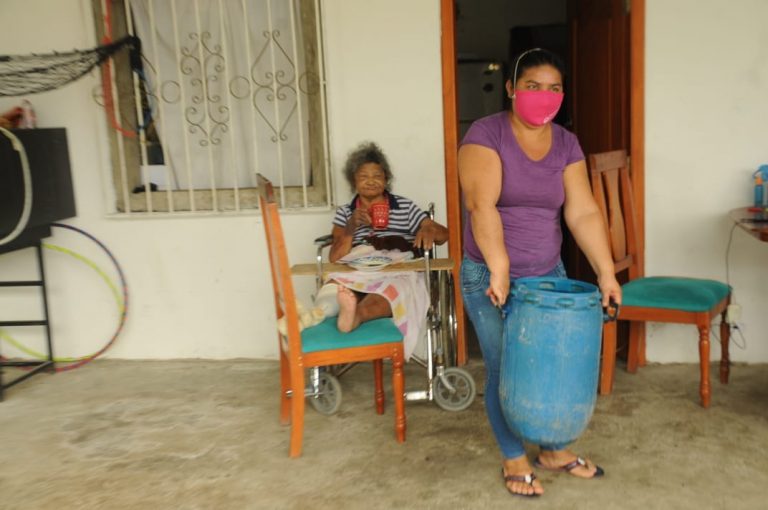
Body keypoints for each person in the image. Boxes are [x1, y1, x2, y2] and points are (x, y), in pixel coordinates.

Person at [458, 48, 622, 497]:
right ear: (511, 89)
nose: (543, 96)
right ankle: (514, 456)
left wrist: (606, 273)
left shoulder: (567, 143)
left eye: (553, 88)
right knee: (506, 367)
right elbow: (481, 204)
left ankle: (552, 449)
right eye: (532, 86)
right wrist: (500, 267)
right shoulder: (485, 134)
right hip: (488, 274)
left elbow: (583, 211)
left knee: (554, 363)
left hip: (548, 272)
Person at [318, 141, 448, 337]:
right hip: (358, 267)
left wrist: (429, 228)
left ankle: (356, 315)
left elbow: (443, 235)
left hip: (397, 269)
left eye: (377, 176)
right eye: (363, 177)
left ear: (386, 179)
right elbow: (335, 258)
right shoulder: (346, 212)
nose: (371, 181)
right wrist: (351, 226)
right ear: (354, 181)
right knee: (337, 287)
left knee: (391, 288)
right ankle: (326, 311)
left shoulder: (404, 206)